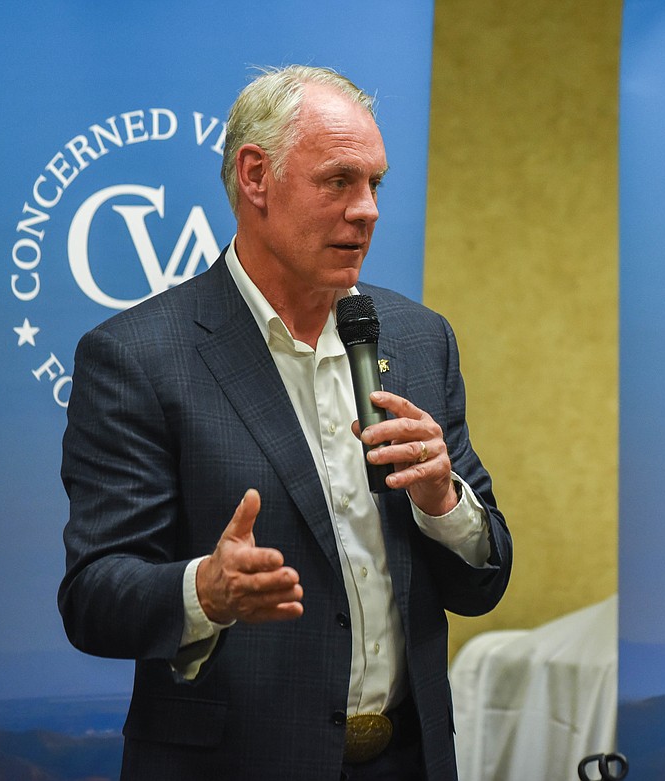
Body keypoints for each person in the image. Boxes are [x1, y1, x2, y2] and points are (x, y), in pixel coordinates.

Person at [58, 65, 512, 781]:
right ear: (255, 175)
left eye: (375, 184)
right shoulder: (138, 358)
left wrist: (445, 503)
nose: (367, 210)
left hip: (408, 760)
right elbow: (92, 597)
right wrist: (203, 590)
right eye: (339, 181)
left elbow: (484, 581)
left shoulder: (420, 339)